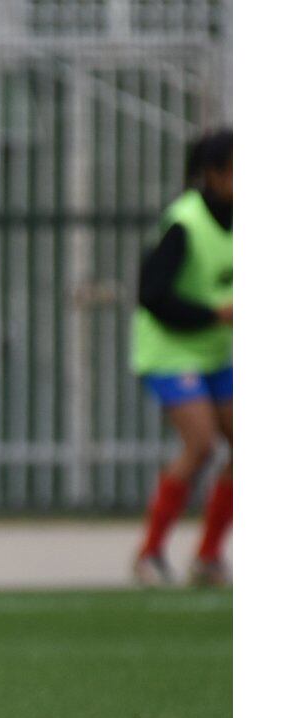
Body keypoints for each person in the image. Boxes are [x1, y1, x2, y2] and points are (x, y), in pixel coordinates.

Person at [132, 129, 232, 587]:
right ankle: (149, 554)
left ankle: (208, 556)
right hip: (171, 348)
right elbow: (152, 295)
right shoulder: (185, 222)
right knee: (201, 444)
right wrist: (214, 312)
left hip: (219, 349)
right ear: (213, 174)